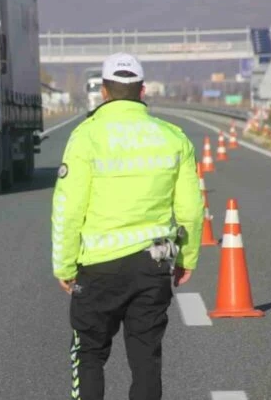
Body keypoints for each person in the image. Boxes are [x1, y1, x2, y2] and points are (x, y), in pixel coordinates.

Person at [51, 52, 204, 400]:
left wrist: (64, 264)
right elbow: (192, 210)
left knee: (89, 354)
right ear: (143, 90)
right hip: (153, 264)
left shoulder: (85, 137)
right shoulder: (173, 137)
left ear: (104, 92)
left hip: (97, 267)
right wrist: (187, 258)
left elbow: (67, 208)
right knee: (145, 357)